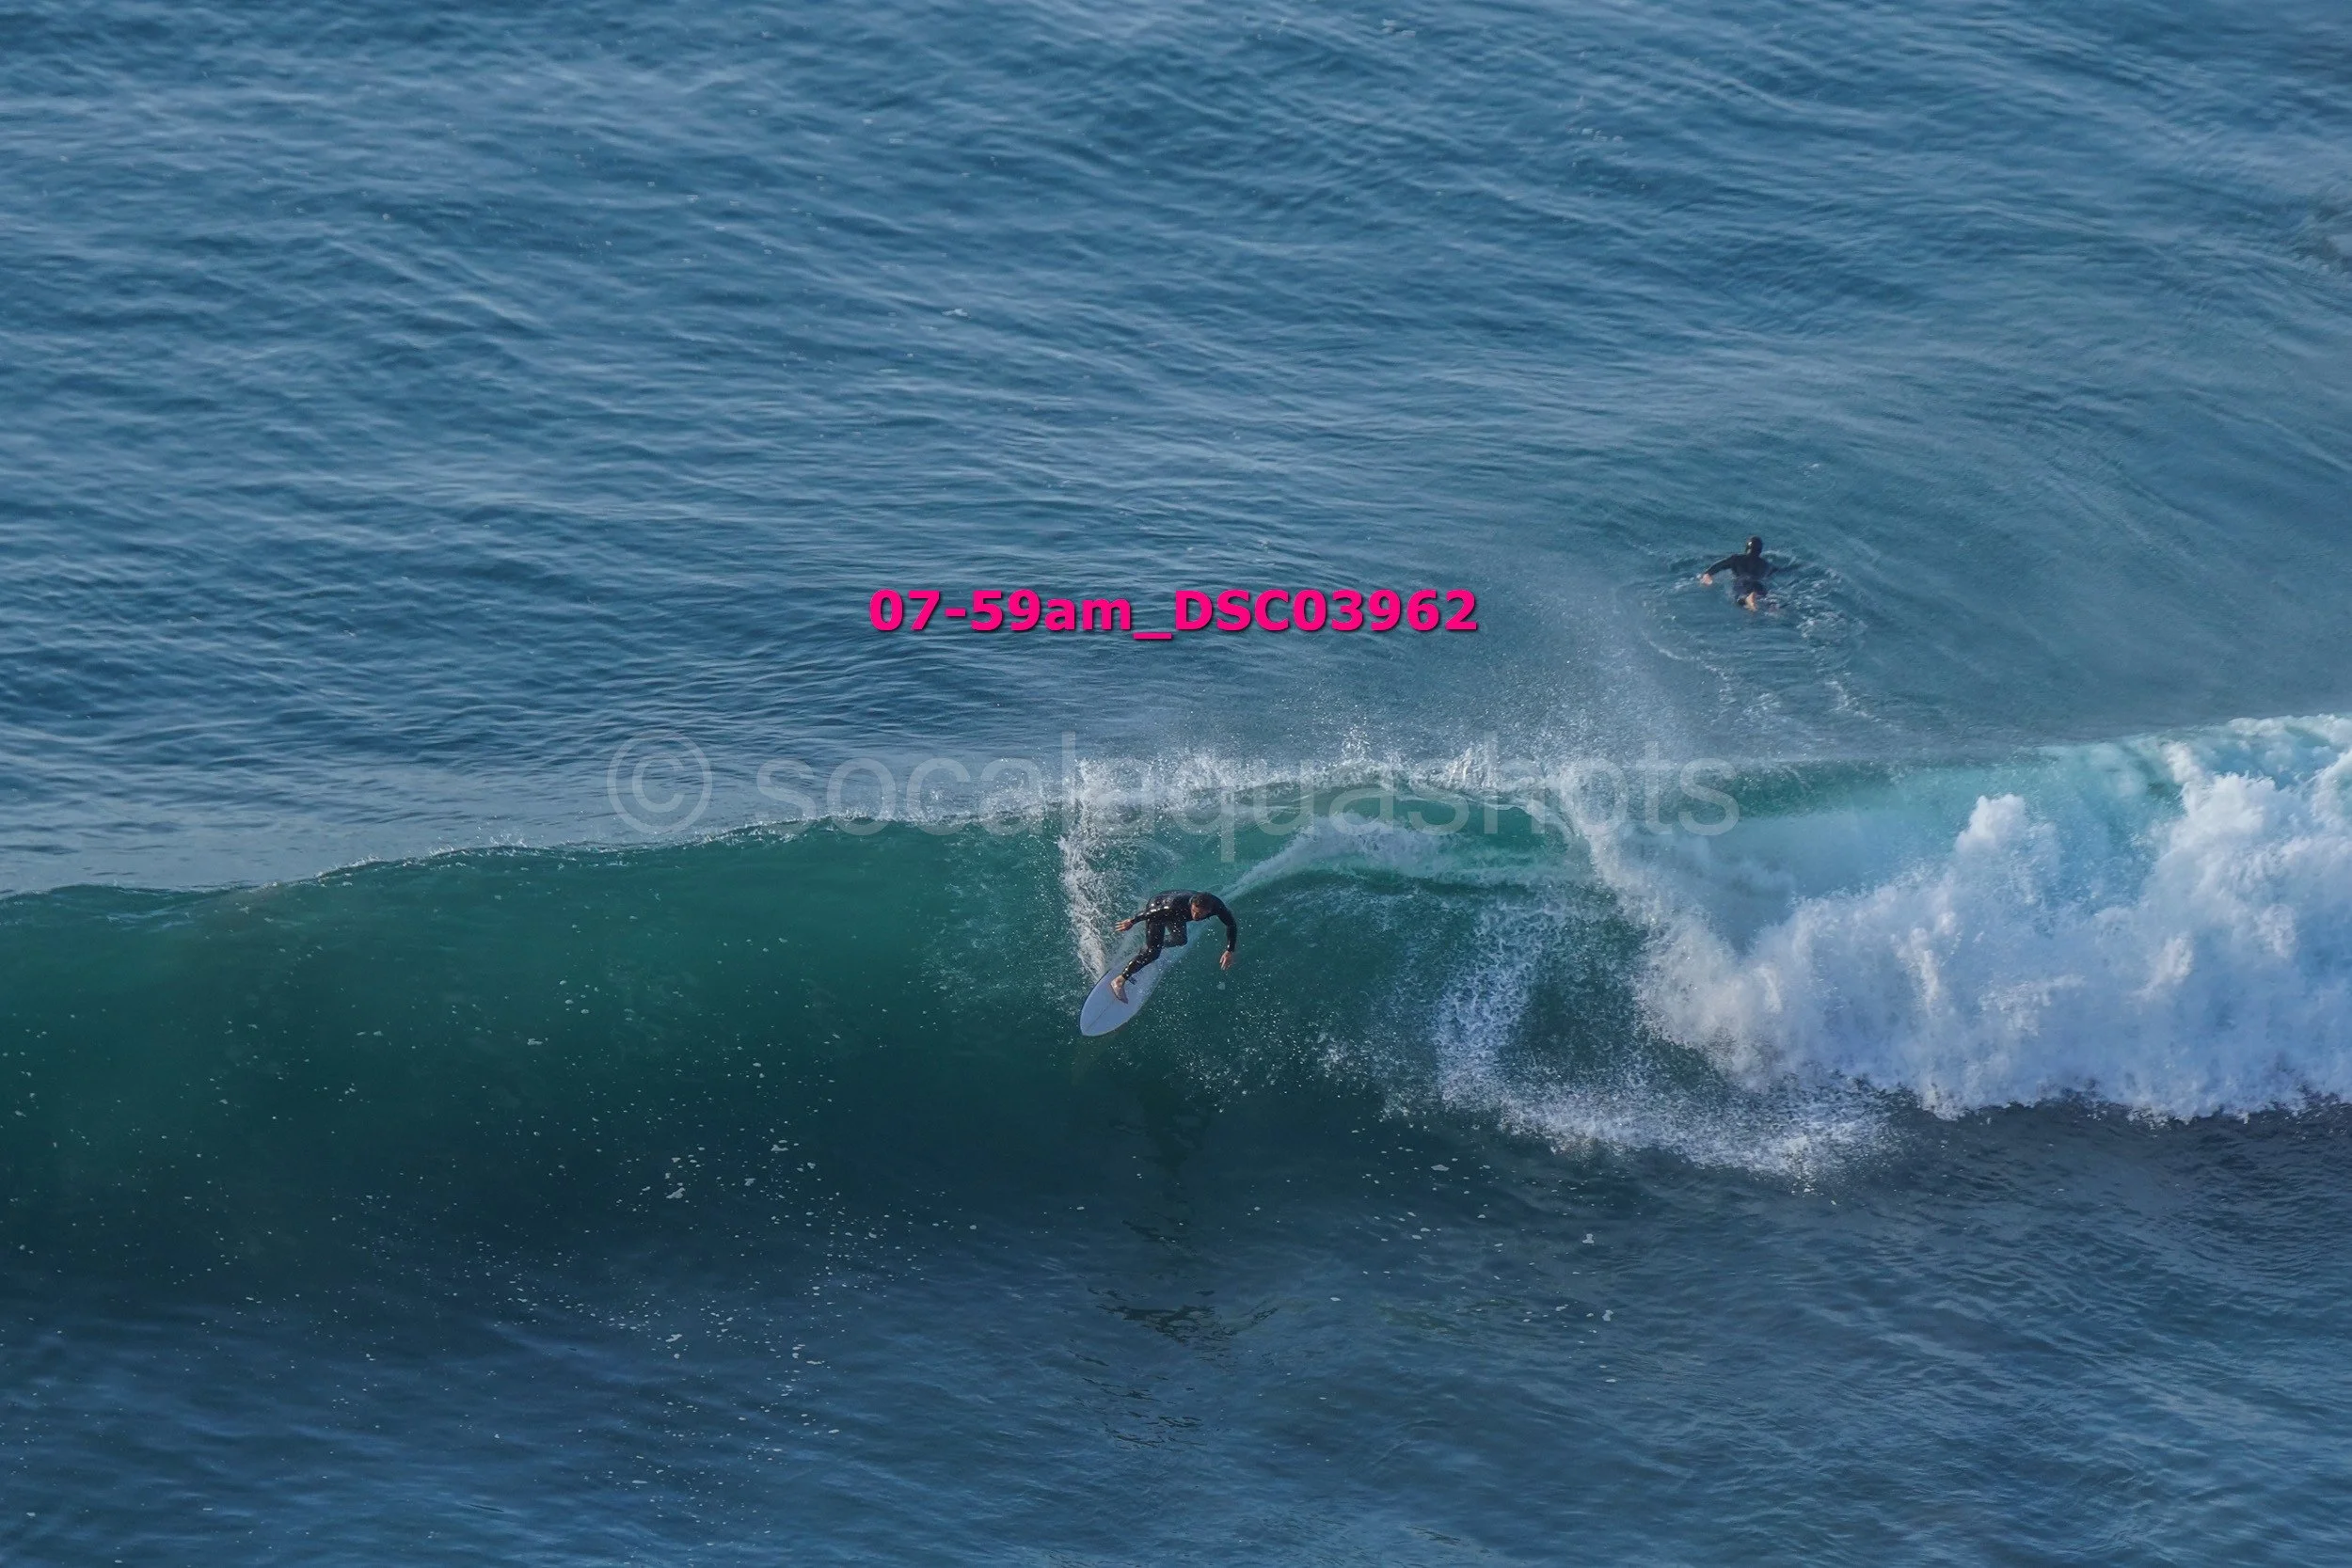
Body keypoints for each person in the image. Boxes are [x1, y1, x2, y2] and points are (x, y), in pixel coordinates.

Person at [1109, 890, 1237, 1002]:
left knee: (1180, 940)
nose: (1196, 917)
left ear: (1209, 911)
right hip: (1159, 907)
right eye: (1194, 912)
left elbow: (1231, 924)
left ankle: (1152, 945)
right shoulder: (1175, 905)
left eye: (1200, 914)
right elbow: (1150, 913)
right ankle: (1119, 980)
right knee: (1153, 953)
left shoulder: (1217, 906)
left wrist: (1229, 950)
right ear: (1191, 905)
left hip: (1177, 916)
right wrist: (1132, 921)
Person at [1700, 535, 1775, 610]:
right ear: (1760, 550)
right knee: (1766, 600)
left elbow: (1719, 566)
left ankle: (1748, 599)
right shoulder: (1766, 565)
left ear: (1746, 548)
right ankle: (1774, 608)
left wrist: (1707, 574)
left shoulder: (1736, 559)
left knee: (1739, 599)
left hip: (1743, 582)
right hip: (1758, 584)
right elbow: (1776, 571)